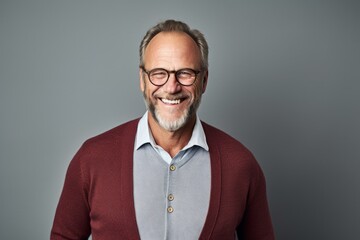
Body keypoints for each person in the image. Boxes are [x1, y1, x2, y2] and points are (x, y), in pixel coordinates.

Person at [51, 19, 275, 240]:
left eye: (185, 73)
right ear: (142, 79)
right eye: (159, 73)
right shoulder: (92, 158)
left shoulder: (241, 165)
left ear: (204, 80)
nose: (171, 87)